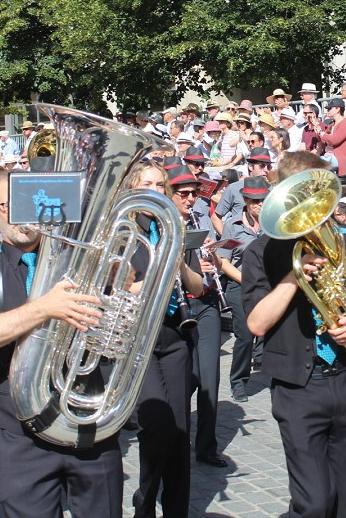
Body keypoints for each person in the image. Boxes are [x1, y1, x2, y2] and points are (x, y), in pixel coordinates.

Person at [0, 170, 121, 518]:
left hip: (87, 419)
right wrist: (45, 308)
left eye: (32, 203)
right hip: (20, 432)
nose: (26, 214)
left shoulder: (79, 263)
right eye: (12, 206)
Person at [242, 151, 346, 518]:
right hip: (299, 386)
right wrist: (292, 279)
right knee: (313, 504)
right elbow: (256, 324)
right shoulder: (260, 253)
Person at [125, 162, 204, 518]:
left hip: (175, 334)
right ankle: (145, 499)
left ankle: (176, 510)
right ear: (133, 187)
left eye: (161, 185)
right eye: (148, 184)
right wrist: (157, 276)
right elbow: (117, 288)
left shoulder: (173, 228)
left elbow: (198, 287)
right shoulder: (121, 229)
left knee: (180, 430)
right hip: (137, 337)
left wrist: (180, 264)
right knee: (157, 425)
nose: (157, 190)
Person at [168, 165, 227, 468]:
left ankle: (206, 445)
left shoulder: (198, 218)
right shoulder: (161, 224)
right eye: (185, 194)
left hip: (205, 305)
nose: (191, 199)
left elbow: (214, 261)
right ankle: (176, 441)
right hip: (176, 308)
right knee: (184, 379)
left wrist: (212, 256)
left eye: (194, 194)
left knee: (210, 378)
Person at [216, 175, 269, 403]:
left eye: (263, 201)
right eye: (254, 201)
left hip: (267, 285)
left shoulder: (274, 224)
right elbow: (223, 261)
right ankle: (238, 381)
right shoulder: (233, 225)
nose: (259, 205)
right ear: (246, 201)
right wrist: (246, 280)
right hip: (240, 286)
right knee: (245, 336)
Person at [314, 98, 346, 185]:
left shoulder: (345, 124)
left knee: (313, 163)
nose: (328, 111)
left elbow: (335, 141)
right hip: (330, 156)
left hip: (341, 159)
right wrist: (317, 129)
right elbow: (325, 141)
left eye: (330, 109)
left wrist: (321, 132)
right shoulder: (332, 124)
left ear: (338, 109)